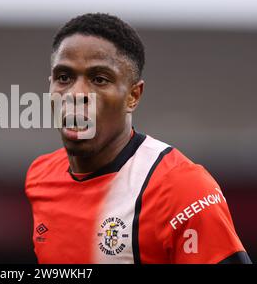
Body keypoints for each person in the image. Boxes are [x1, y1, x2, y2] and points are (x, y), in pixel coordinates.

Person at [25, 13, 251, 264]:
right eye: (64, 78)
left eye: (99, 79)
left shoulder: (183, 189)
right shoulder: (40, 176)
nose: (76, 94)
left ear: (133, 95)